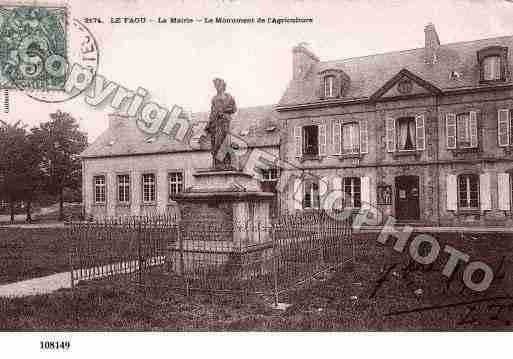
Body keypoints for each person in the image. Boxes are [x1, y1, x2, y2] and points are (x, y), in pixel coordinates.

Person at [206, 78, 237, 169]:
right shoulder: (214, 99)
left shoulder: (229, 97)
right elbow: (212, 112)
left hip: (224, 122)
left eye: (219, 86)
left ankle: (226, 163)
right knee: (216, 143)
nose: (217, 88)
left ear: (223, 86)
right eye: (216, 86)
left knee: (224, 141)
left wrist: (223, 112)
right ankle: (217, 164)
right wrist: (209, 124)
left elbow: (234, 109)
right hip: (215, 124)